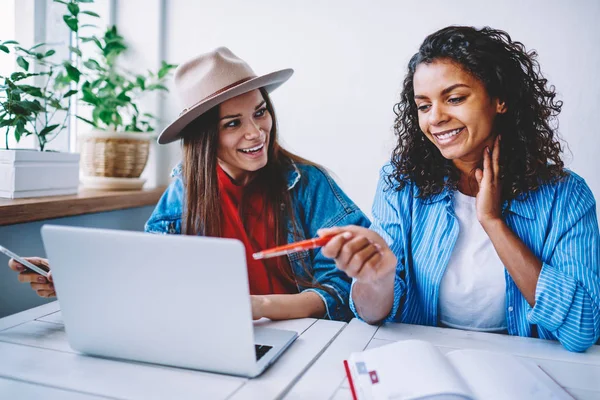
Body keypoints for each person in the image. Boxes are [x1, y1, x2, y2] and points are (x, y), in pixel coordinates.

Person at [8, 47, 370, 322]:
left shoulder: (308, 185)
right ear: (204, 137)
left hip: (304, 339)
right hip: (210, 337)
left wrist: (255, 307)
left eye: (260, 112)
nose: (256, 131)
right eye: (232, 123)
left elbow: (343, 291)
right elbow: (150, 275)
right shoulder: (184, 192)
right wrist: (75, 281)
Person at [319, 26, 600, 352]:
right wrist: (376, 277)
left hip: (527, 366)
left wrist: (492, 222)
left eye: (454, 99)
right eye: (423, 106)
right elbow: (373, 316)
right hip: (428, 361)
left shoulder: (565, 195)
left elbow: (584, 329)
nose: (435, 118)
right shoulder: (400, 183)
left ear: (500, 100)